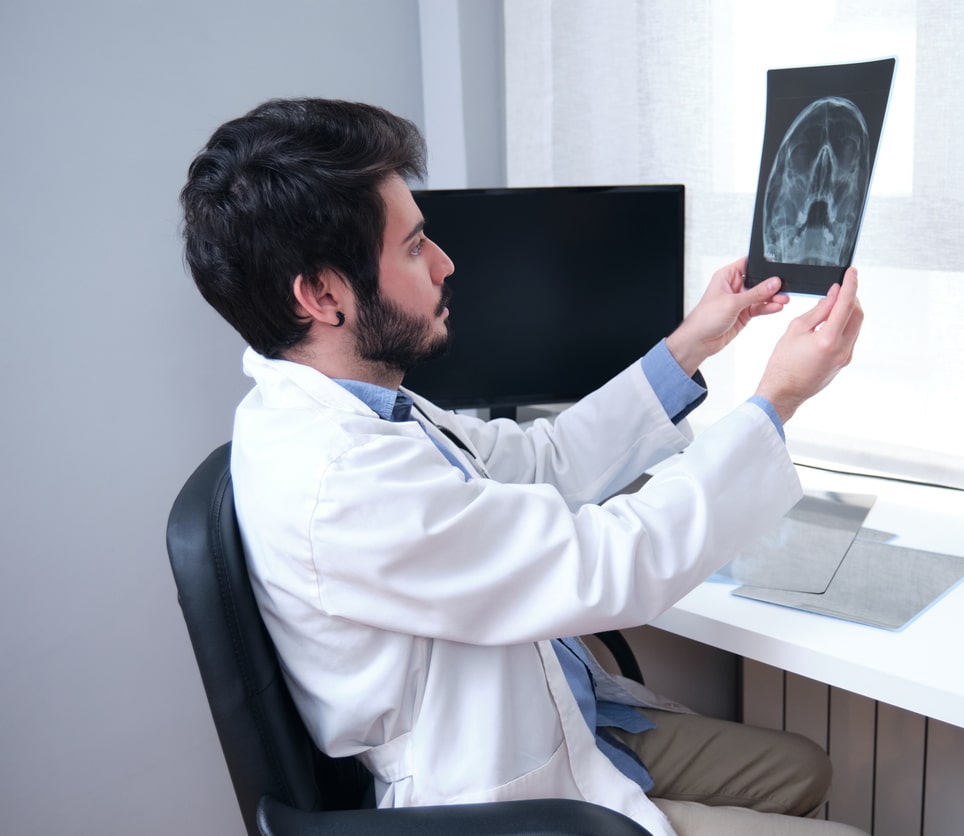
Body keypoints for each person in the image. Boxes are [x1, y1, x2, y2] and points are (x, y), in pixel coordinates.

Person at [180, 98, 866, 836]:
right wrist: (778, 401)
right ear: (322, 295)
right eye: (414, 247)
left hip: (561, 716)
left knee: (806, 770)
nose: (445, 263)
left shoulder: (362, 411)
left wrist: (691, 344)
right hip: (504, 799)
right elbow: (610, 565)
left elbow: (540, 463)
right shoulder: (339, 483)